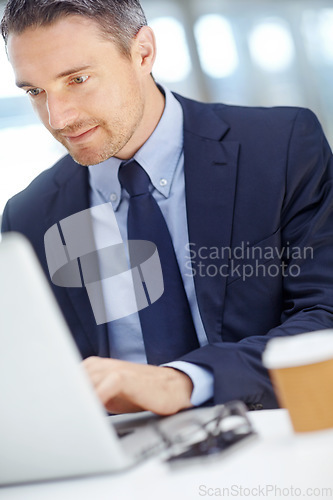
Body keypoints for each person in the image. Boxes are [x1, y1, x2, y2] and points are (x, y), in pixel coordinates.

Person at [1, 0, 333, 416]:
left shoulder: (279, 148)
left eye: (78, 79)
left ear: (143, 52)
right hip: (129, 462)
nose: (58, 117)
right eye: (35, 91)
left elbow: (325, 317)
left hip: (273, 429)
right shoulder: (28, 217)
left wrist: (184, 380)